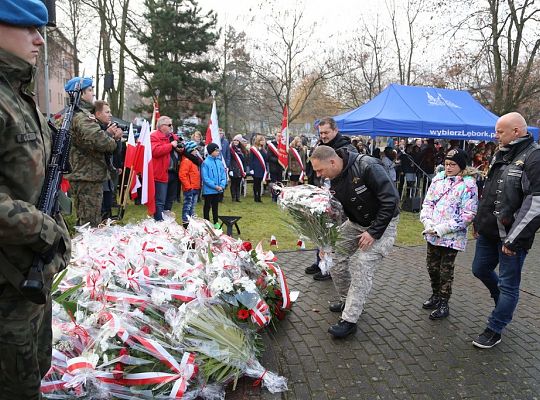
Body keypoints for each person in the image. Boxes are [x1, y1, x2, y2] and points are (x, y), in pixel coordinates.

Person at [0, 2, 72, 397]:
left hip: (27, 282)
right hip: (5, 285)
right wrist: (40, 226)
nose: (39, 39)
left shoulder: (19, 95)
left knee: (33, 376)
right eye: (26, 27)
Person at [310, 145, 400, 338]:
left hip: (382, 224)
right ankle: (347, 300)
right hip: (356, 223)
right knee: (333, 257)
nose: (319, 175)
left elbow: (391, 200)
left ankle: (349, 320)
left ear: (333, 162)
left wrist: (374, 232)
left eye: (320, 170)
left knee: (361, 265)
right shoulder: (333, 177)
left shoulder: (367, 166)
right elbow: (339, 208)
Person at [471, 112, 540, 349]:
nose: (496, 135)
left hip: (512, 238)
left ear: (517, 132)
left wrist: (514, 240)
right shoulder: (501, 153)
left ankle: (495, 327)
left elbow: (536, 203)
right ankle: (502, 301)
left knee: (509, 285)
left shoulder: (534, 157)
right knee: (479, 269)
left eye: (500, 131)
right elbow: (489, 192)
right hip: (489, 232)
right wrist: (478, 223)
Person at [420, 149, 478, 320]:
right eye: (446, 164)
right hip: (432, 232)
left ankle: (444, 302)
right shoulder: (438, 179)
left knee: (446, 270)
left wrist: (443, 229)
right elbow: (428, 202)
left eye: (453, 164)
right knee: (432, 266)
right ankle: (436, 295)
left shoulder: (468, 185)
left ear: (461, 165)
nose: (449, 167)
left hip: (451, 236)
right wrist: (427, 222)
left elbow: (468, 215)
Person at [305, 117, 357, 281]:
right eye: (321, 133)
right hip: (320, 195)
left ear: (335, 130)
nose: (324, 136)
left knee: (333, 232)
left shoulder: (346, 148)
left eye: (326, 132)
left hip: (337, 198)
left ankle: (329, 267)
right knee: (320, 230)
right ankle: (320, 261)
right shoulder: (320, 146)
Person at [66, 77, 122, 227]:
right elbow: (101, 142)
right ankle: (87, 249)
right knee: (89, 222)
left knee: (87, 219)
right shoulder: (82, 117)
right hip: (87, 175)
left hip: (85, 173)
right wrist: (112, 138)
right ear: (80, 93)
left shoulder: (74, 115)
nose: (93, 94)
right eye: (90, 90)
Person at [93, 100, 123, 220]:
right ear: (98, 114)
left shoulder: (107, 128)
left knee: (107, 208)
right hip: (95, 176)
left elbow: (114, 151)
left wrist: (117, 139)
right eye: (107, 112)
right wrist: (109, 134)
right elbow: (98, 146)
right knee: (98, 212)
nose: (110, 115)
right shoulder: (94, 128)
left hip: (106, 175)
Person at [150, 116, 182, 221]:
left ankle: (167, 222)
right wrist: (170, 145)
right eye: (169, 125)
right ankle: (159, 222)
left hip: (173, 172)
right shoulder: (154, 136)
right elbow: (155, 151)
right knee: (160, 201)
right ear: (162, 126)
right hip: (161, 173)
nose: (171, 127)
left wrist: (180, 148)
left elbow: (180, 147)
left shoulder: (172, 137)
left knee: (170, 200)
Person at [201, 142, 227, 225]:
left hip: (218, 189)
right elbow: (205, 178)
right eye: (216, 151)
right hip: (209, 190)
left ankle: (216, 222)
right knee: (207, 206)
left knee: (215, 207)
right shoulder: (205, 163)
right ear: (211, 151)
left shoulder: (219, 162)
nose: (218, 152)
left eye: (218, 151)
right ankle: (207, 222)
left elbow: (223, 174)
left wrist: (222, 185)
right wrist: (215, 186)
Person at [179, 141, 202, 227]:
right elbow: (182, 175)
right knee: (187, 205)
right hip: (189, 188)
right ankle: (185, 221)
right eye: (194, 149)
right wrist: (188, 186)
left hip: (195, 187)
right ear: (190, 150)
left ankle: (191, 221)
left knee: (193, 206)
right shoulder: (186, 161)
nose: (196, 151)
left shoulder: (194, 161)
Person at [248, 134, 269, 203]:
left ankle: (259, 197)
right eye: (261, 141)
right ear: (258, 141)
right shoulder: (253, 149)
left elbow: (266, 158)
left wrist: (262, 150)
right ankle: (255, 196)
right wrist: (251, 169)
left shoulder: (263, 149)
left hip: (262, 168)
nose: (263, 142)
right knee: (256, 183)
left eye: (263, 141)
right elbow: (250, 159)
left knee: (260, 183)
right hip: (255, 168)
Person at [228, 134, 248, 201]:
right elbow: (229, 159)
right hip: (233, 168)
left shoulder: (242, 149)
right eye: (235, 140)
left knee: (238, 183)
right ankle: (233, 197)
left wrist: (244, 170)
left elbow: (245, 161)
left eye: (237, 140)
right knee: (233, 183)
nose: (236, 142)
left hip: (240, 169)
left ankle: (238, 197)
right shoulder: (230, 149)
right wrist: (230, 169)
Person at [267, 131, 285, 202]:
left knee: (279, 183)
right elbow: (269, 157)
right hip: (273, 167)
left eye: (281, 136)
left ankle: (279, 196)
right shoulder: (271, 146)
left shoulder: (282, 145)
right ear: (275, 137)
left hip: (280, 167)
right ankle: (274, 197)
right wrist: (278, 160)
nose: (279, 137)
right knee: (274, 183)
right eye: (278, 136)